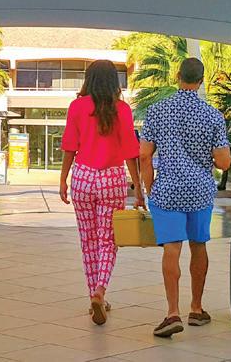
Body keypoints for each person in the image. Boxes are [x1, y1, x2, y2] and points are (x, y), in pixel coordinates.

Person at [139, 57, 231, 339]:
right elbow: (223, 162)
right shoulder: (212, 115)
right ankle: (196, 308)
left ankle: (172, 312)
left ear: (177, 76)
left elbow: (144, 155)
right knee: (198, 245)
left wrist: (150, 188)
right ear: (201, 80)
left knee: (172, 248)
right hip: (200, 192)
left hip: (167, 190)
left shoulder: (157, 111)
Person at [60, 59, 143, 325]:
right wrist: (138, 189)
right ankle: (100, 290)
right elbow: (130, 151)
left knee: (88, 241)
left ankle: (93, 296)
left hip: (83, 177)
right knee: (108, 240)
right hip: (111, 179)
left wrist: (63, 180)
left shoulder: (77, 107)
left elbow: (70, 147)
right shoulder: (122, 109)